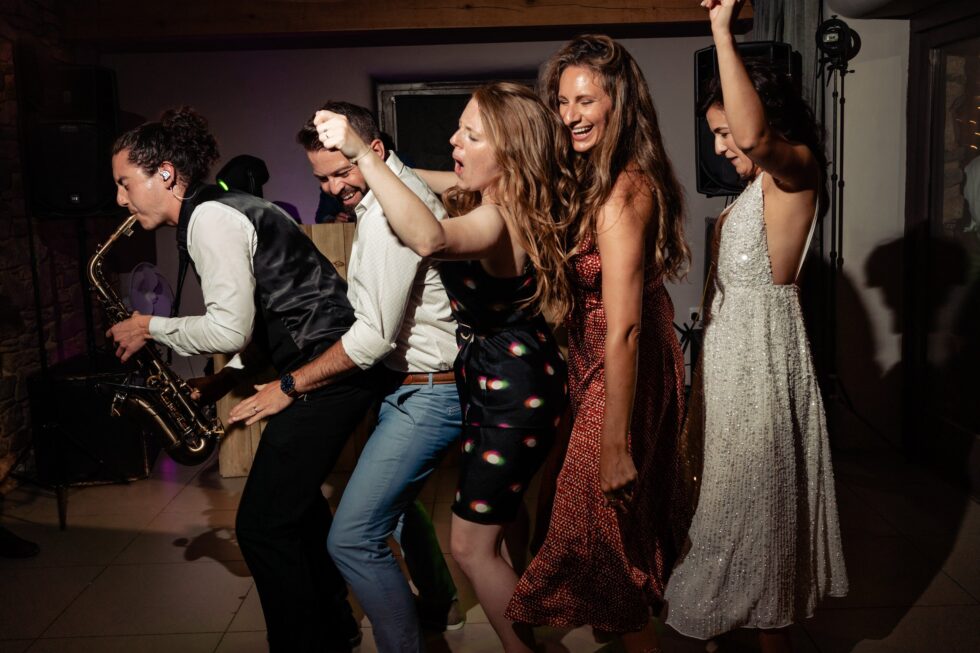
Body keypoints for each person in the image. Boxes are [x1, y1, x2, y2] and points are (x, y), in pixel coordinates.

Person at [105, 107, 377, 652]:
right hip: (325, 367)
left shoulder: (208, 218)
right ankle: (334, 625)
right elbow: (268, 317)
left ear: (164, 173)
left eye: (123, 183)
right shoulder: (223, 210)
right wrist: (221, 383)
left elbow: (230, 327)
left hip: (322, 375)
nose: (120, 200)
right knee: (297, 511)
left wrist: (148, 326)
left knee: (261, 528)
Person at [315, 81, 575, 652]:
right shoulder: (512, 196)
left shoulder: (499, 220)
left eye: (471, 134)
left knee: (470, 547)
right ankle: (527, 635)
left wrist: (361, 153)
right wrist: (386, 161)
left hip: (513, 388)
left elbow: (430, 238)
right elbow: (436, 180)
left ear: (508, 153)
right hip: (511, 377)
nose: (453, 140)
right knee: (500, 531)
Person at [231, 101, 463, 652]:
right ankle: (439, 601)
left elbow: (371, 339)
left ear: (373, 151)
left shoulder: (386, 218)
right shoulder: (389, 191)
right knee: (397, 506)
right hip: (406, 385)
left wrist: (287, 387)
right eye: (323, 178)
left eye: (343, 170)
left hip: (427, 392)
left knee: (352, 539)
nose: (335, 187)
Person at [663, 2, 848, 651]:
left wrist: (720, 30)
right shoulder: (752, 191)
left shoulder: (792, 171)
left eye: (723, 133)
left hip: (764, 365)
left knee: (762, 512)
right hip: (730, 362)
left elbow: (756, 139)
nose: (721, 146)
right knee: (726, 506)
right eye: (714, 134)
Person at [503, 34, 691, 652]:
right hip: (597, 362)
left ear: (618, 103)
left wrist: (614, 443)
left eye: (585, 101)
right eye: (562, 102)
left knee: (602, 530)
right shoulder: (588, 176)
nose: (571, 116)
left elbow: (628, 327)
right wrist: (380, 166)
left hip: (625, 362)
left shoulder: (623, 190)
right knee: (605, 536)